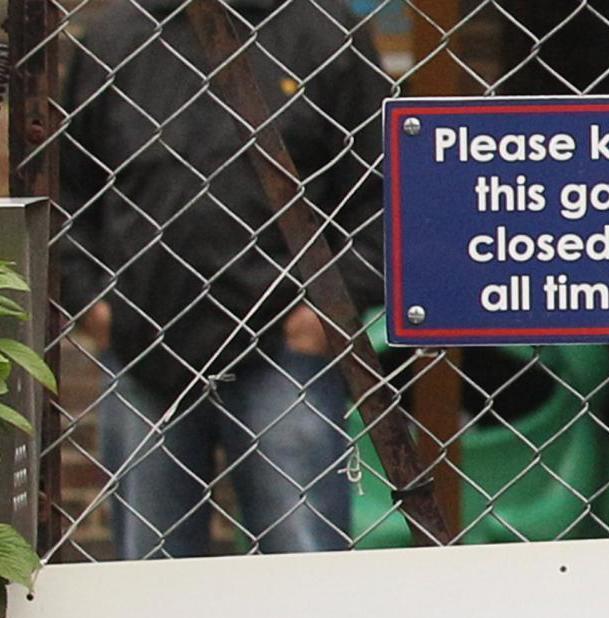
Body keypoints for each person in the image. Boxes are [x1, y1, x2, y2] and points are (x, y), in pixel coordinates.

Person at [57, 0, 387, 557]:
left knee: (303, 567)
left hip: (285, 352)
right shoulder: (115, 40)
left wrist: (330, 311)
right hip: (143, 346)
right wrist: (92, 305)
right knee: (149, 571)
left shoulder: (325, 36)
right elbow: (66, 191)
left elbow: (384, 198)